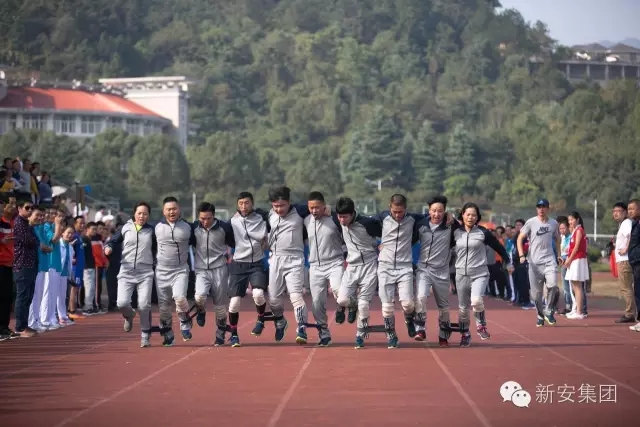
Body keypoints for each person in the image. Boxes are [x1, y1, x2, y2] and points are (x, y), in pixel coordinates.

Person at [453, 203, 509, 347]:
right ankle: (465, 334)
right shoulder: (455, 232)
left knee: (476, 300)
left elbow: (498, 247)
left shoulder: (483, 233)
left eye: (474, 215)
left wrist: (507, 260)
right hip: (461, 274)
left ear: (477, 217)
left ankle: (481, 325)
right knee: (463, 308)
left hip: (479, 273)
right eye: (468, 214)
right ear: (463, 215)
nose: (470, 217)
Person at [105, 202, 156, 348]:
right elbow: (112, 242)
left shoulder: (152, 231)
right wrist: (108, 248)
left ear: (148, 215)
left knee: (144, 305)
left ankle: (145, 335)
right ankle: (129, 315)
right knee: (121, 303)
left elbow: (159, 247)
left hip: (145, 272)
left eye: (145, 214)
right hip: (126, 271)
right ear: (134, 214)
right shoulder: (125, 228)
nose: (142, 216)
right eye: (139, 213)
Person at [374, 194, 422, 348]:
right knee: (387, 306)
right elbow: (362, 223)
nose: (397, 215)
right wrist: (376, 244)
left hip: (404, 267)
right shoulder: (382, 217)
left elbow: (432, 217)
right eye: (394, 211)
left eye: (400, 212)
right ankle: (391, 335)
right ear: (390, 207)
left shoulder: (413, 219)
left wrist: (448, 216)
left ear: (405, 209)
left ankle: (409, 318)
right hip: (385, 266)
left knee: (408, 304)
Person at [266, 186, 311, 344]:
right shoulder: (269, 215)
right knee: (273, 299)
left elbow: (316, 207)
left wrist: (327, 209)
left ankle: (302, 328)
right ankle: (280, 321)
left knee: (296, 296)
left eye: (282, 205)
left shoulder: (300, 211)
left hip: (295, 259)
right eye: (276, 206)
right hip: (276, 259)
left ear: (289, 202)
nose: (279, 209)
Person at [334, 197, 381, 349]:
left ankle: (360, 335)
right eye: (340, 216)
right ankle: (352, 305)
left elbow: (386, 230)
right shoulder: (338, 221)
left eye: (345, 217)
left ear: (353, 213)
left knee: (364, 304)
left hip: (369, 266)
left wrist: (384, 245)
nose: (342, 220)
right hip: (352, 267)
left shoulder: (367, 223)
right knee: (342, 300)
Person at [227, 191, 271, 343]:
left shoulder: (262, 218)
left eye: (246, 203)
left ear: (252, 203)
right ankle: (234, 333)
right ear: (237, 205)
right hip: (238, 264)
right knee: (234, 303)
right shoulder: (232, 221)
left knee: (258, 294)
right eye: (240, 203)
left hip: (256, 263)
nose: (244, 206)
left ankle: (261, 318)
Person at [414, 196, 458, 346]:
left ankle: (443, 335)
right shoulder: (421, 224)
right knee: (421, 297)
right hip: (424, 269)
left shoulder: (451, 224)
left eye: (440, 211)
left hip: (441, 271)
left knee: (443, 306)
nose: (436, 214)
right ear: (429, 210)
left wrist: (452, 217)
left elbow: (467, 223)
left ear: (445, 211)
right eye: (433, 210)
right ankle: (420, 329)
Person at [191, 202, 235, 346]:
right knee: (199, 297)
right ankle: (201, 310)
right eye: (202, 218)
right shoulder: (194, 228)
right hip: (201, 269)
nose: (205, 222)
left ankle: (220, 334)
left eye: (208, 218)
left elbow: (235, 243)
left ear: (214, 216)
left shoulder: (224, 228)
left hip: (219, 269)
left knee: (220, 306)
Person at [304, 191, 343, 347]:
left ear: (324, 206)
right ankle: (324, 334)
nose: (314, 211)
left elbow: (350, 216)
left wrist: (332, 211)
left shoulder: (335, 218)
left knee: (339, 292)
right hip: (315, 266)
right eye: (311, 208)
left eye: (317, 207)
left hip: (335, 262)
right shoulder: (306, 220)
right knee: (317, 304)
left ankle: (341, 307)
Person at [154, 196, 193, 346]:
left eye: (174, 209)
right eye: (168, 209)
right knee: (164, 307)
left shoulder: (188, 227)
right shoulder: (156, 228)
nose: (172, 212)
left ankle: (184, 321)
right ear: (163, 211)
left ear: (179, 210)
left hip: (180, 270)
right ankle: (168, 334)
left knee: (179, 297)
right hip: (161, 272)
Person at [517, 199, 561, 327]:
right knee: (536, 295)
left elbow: (558, 239)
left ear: (548, 208)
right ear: (537, 208)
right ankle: (540, 315)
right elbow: (520, 238)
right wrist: (521, 255)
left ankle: (548, 310)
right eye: (539, 207)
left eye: (544, 207)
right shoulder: (531, 222)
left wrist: (558, 254)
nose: (541, 209)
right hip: (534, 263)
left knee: (553, 285)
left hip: (549, 260)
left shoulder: (553, 223)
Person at [12, 200, 40, 338]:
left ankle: (24, 324)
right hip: (22, 264)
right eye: (27, 208)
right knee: (22, 296)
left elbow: (36, 240)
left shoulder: (27, 224)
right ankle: (19, 327)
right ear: (19, 208)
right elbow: (29, 241)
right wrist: (35, 240)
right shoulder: (19, 223)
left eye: (31, 208)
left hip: (30, 264)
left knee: (28, 296)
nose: (30, 210)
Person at [612, 202, 636, 323]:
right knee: (627, 287)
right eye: (614, 211)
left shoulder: (626, 223)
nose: (615, 213)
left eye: (619, 211)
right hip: (623, 259)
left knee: (626, 287)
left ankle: (630, 313)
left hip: (625, 260)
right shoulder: (623, 224)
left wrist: (626, 248)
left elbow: (630, 236)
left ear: (625, 212)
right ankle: (631, 312)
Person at [564, 212, 589, 320]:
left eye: (572, 219)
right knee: (574, 286)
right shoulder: (574, 231)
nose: (570, 222)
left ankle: (579, 312)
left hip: (578, 260)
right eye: (569, 220)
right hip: (574, 260)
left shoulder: (579, 230)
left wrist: (569, 260)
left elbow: (577, 247)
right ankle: (576, 309)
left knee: (578, 287)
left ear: (577, 219)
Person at [0, 200, 17, 339]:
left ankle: (4, 327)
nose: (13, 207)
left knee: (7, 296)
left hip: (9, 263)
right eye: (9, 205)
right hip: (1, 262)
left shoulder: (12, 223)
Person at [56, 225, 75, 327]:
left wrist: (70, 274)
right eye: (68, 232)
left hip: (65, 274)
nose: (70, 235)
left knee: (62, 296)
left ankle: (62, 316)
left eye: (72, 233)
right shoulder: (58, 244)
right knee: (54, 296)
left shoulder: (70, 247)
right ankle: (55, 317)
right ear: (62, 233)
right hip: (56, 272)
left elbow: (69, 262)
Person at [626, 199, 640, 332]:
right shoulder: (635, 223)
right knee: (637, 290)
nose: (630, 211)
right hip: (635, 261)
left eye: (632, 209)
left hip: (639, 260)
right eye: (628, 209)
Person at [70, 216, 86, 318]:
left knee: (76, 288)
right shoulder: (74, 236)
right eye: (80, 223)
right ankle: (71, 311)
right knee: (74, 288)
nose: (82, 225)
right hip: (75, 267)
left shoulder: (79, 237)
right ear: (75, 224)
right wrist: (72, 258)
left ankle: (72, 309)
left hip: (80, 266)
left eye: (83, 223)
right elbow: (70, 247)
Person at [557, 217, 572, 315]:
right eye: (560, 228)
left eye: (563, 228)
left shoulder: (571, 237)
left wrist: (566, 258)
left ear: (568, 227)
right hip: (562, 262)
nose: (562, 230)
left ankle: (572, 306)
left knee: (571, 285)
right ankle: (568, 305)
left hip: (569, 261)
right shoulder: (561, 238)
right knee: (565, 285)